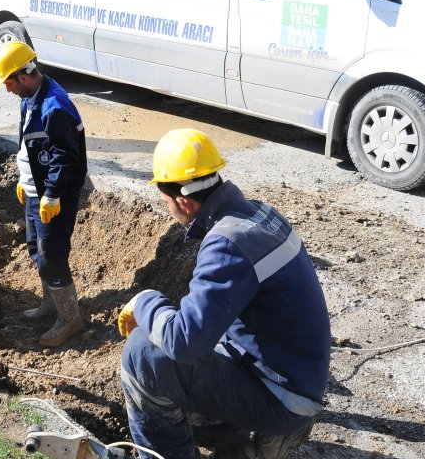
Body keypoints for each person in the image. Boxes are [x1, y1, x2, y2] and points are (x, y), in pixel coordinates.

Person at [116, 128, 331, 459]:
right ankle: (256, 438)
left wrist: (143, 301)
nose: (168, 210)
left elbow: (183, 343)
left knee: (142, 354)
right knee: (179, 374)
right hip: (294, 378)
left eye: (165, 201)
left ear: (183, 201)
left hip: (282, 397)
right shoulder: (258, 214)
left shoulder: (227, 244)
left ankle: (268, 430)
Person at [0, 41, 87, 348]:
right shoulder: (30, 97)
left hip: (52, 197)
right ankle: (52, 303)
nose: (7, 90)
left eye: (8, 82)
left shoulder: (54, 107)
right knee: (37, 249)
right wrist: (25, 178)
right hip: (35, 190)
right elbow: (29, 144)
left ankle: (70, 318)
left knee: (52, 256)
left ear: (23, 75)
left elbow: (64, 156)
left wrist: (52, 195)